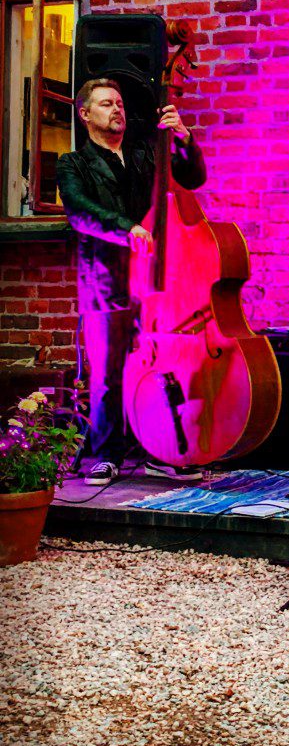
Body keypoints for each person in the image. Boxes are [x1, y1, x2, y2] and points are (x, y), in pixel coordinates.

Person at [56, 78, 207, 487]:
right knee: (108, 374)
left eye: (119, 103)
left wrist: (183, 138)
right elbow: (80, 211)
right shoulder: (73, 164)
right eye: (106, 104)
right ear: (85, 114)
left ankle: (161, 450)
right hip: (106, 282)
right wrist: (128, 228)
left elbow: (193, 179)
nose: (117, 109)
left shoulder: (146, 154)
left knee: (161, 369)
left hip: (156, 281)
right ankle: (106, 455)